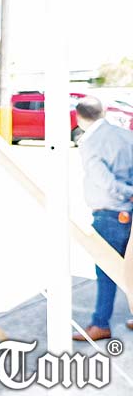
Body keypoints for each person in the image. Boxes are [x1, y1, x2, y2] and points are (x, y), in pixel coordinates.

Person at [73, 97, 133, 341]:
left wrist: (129, 193)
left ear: (79, 117)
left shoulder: (89, 142)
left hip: (110, 213)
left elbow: (105, 182)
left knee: (106, 270)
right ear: (104, 112)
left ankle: (100, 324)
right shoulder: (125, 134)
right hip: (128, 211)